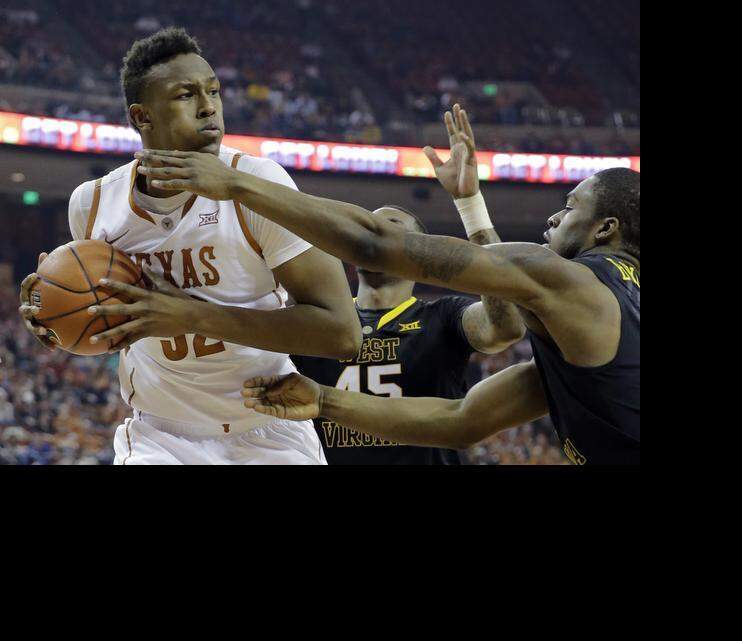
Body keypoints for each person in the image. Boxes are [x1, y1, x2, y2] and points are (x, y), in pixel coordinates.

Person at [134, 103, 640, 465]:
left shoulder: (567, 284)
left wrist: (238, 184)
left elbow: (373, 244)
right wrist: (324, 400)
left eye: (570, 206)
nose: (554, 216)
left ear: (605, 229)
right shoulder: (596, 325)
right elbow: (463, 420)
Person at [16, 27, 359, 465]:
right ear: (142, 116)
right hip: (160, 436)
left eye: (213, 91)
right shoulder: (93, 203)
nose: (209, 106)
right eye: (186, 94)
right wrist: (57, 317)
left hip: (267, 427)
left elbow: (342, 334)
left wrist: (192, 316)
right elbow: (104, 317)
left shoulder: (257, 183)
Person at [291, 108, 526, 464]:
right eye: (369, 230)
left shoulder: (443, 316)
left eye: (390, 229)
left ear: (419, 252)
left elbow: (506, 325)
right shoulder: (320, 318)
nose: (375, 237)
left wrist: (470, 206)